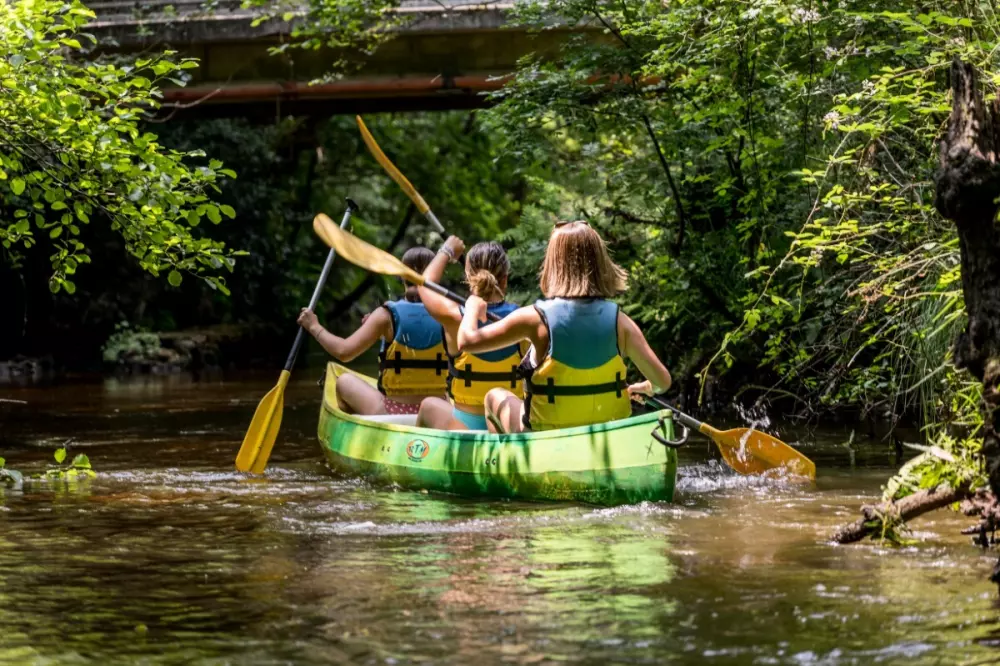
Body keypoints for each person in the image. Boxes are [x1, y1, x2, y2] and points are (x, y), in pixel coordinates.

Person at [455, 220, 672, 433]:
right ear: (600, 263)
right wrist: (646, 387)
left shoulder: (534, 318)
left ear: (553, 264)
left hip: (544, 435)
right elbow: (662, 382)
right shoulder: (620, 321)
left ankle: (508, 464)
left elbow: (467, 342)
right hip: (602, 433)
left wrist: (473, 306)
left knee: (494, 396)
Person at [297, 246, 448, 416]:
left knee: (344, 381)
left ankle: (358, 426)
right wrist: (384, 334)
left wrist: (314, 326)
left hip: (392, 412)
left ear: (401, 275)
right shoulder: (450, 313)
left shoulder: (385, 315)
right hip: (438, 412)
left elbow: (343, 352)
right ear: (437, 274)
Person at [415, 236, 525, 431]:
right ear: (505, 279)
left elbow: (424, 284)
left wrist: (447, 250)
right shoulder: (525, 320)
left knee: (429, 404)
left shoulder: (453, 316)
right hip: (506, 424)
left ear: (468, 279)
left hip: (464, 429)